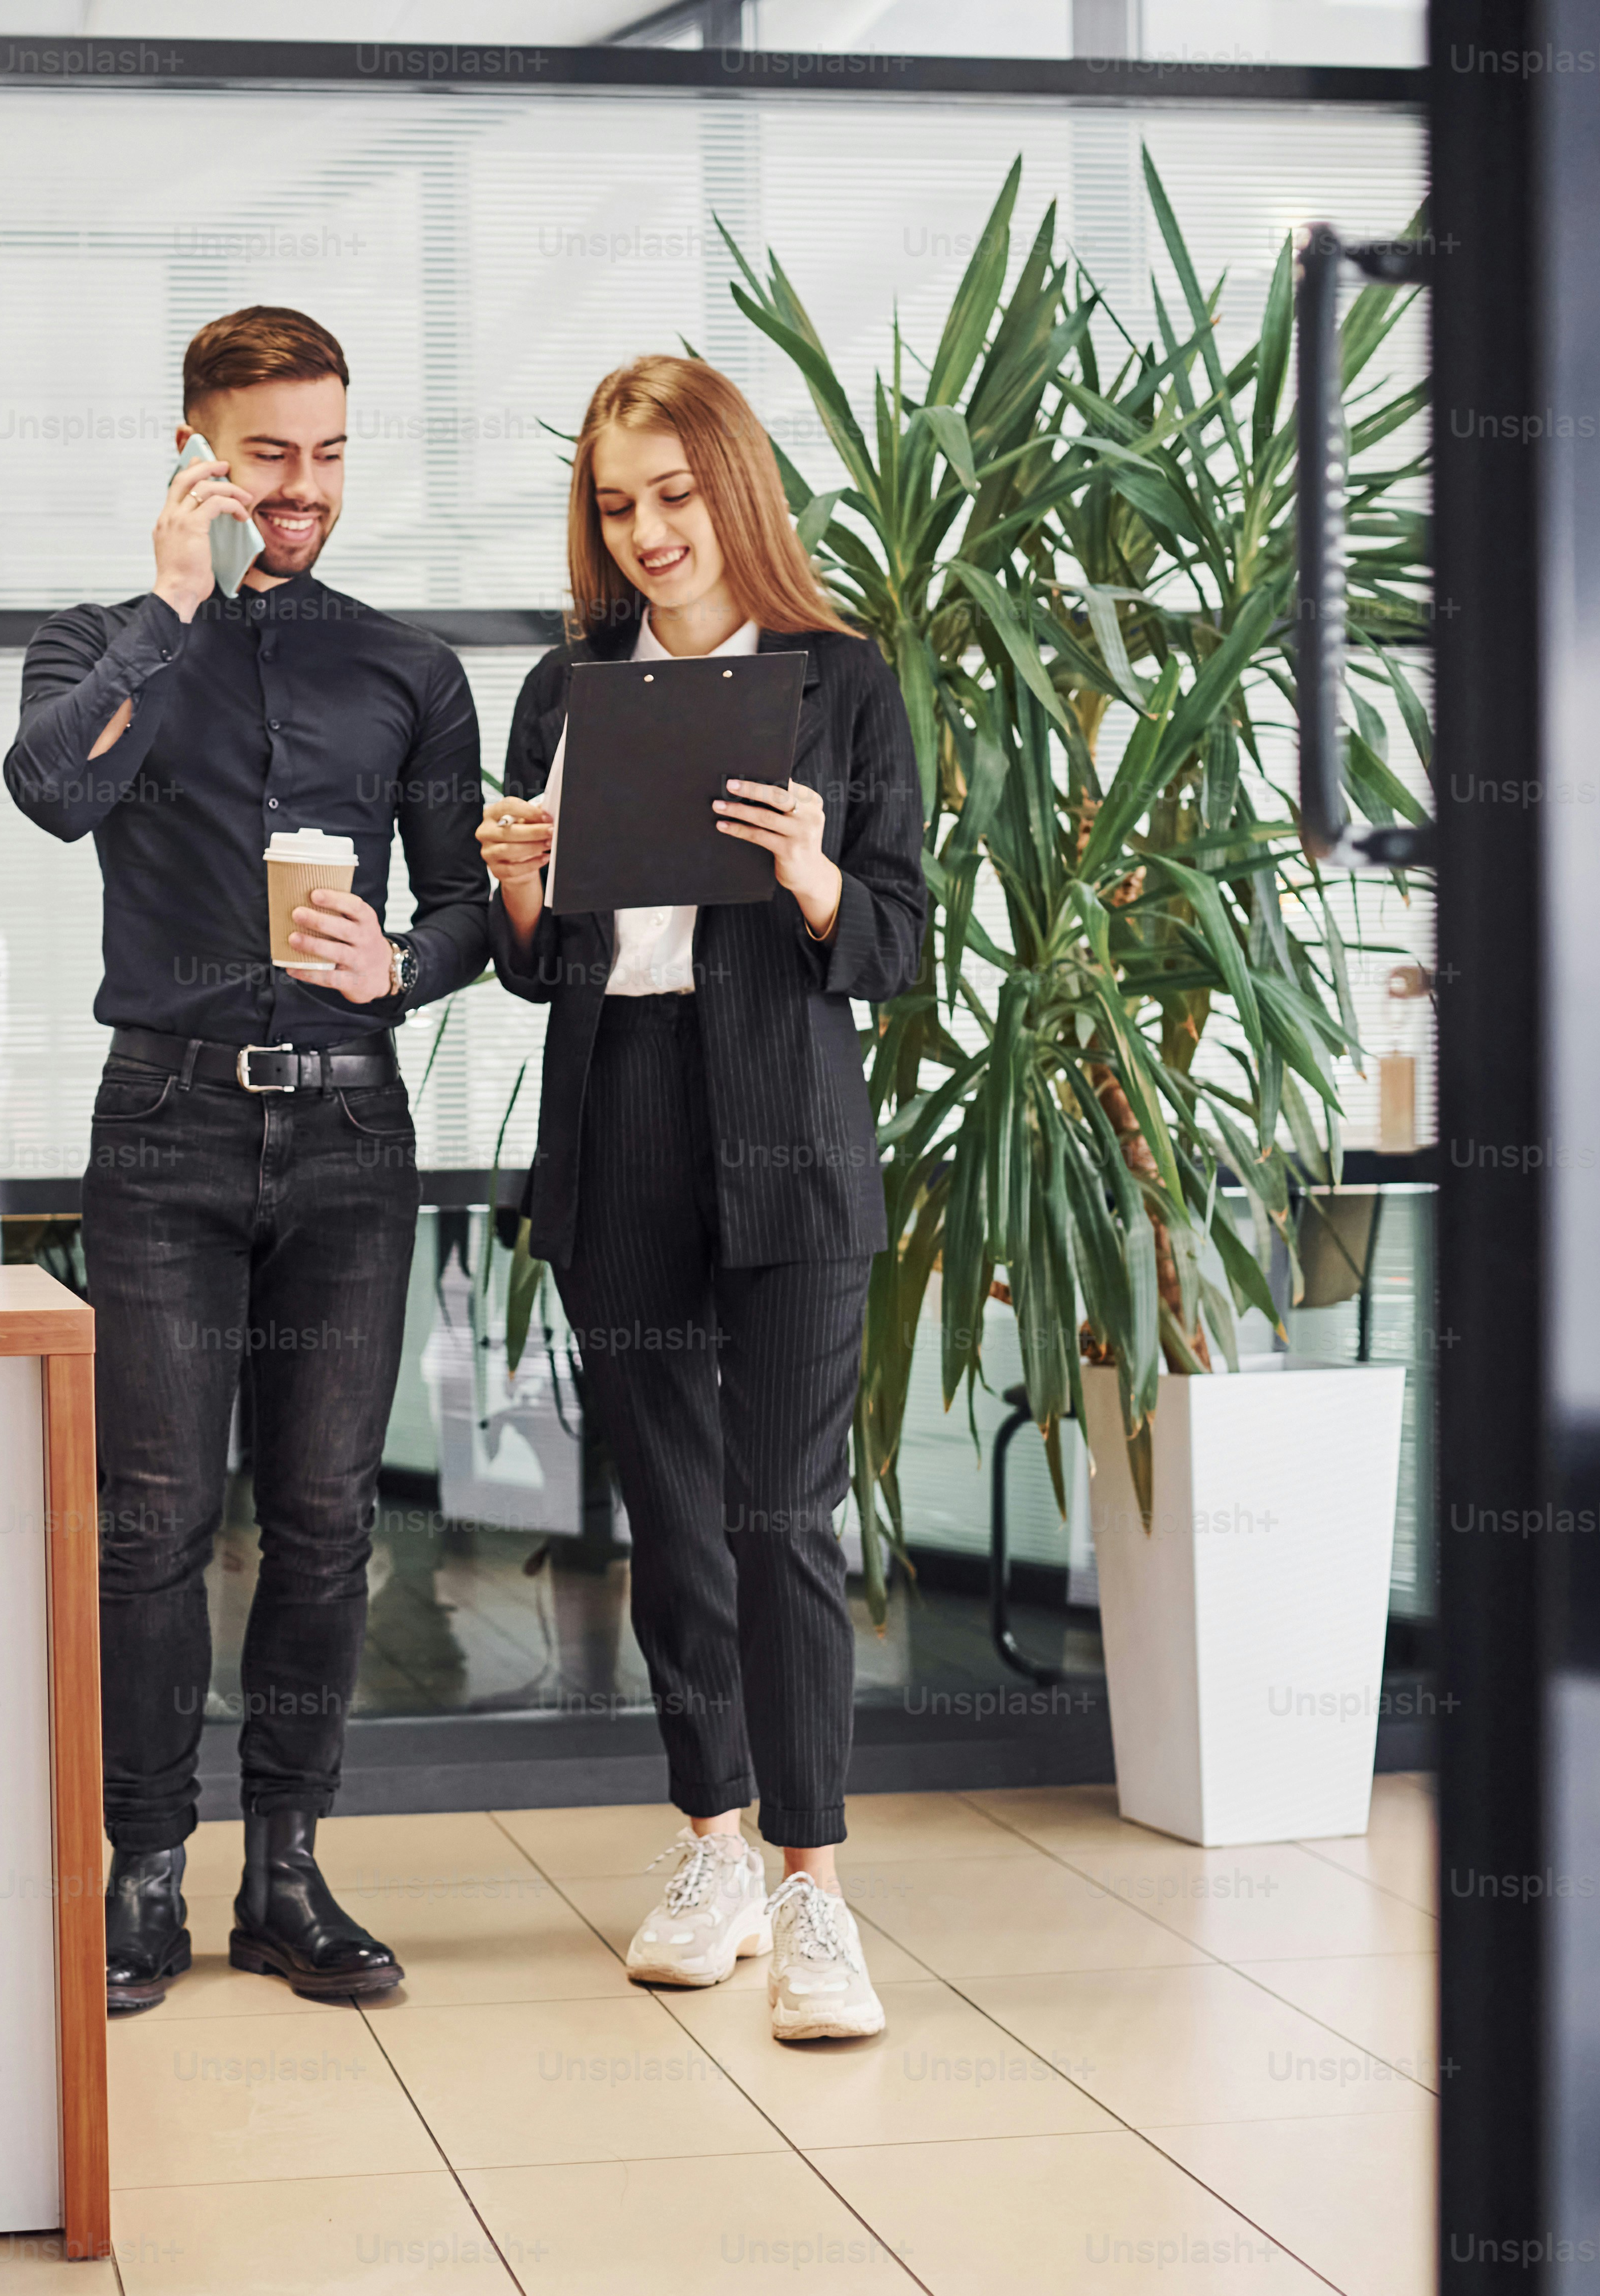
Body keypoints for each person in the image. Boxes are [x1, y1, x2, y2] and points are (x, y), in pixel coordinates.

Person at [3, 306, 491, 2015]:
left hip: (353, 1124)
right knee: (151, 1519)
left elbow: (471, 906)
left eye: (332, 453)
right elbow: (50, 792)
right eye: (271, 454)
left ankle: (285, 1871)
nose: (306, 490)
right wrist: (172, 613)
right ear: (197, 450)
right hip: (165, 1123)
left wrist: (408, 969)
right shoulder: (98, 644)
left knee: (328, 1517)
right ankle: (147, 1876)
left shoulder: (411, 672)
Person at [478, 355, 927, 2040]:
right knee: (671, 1517)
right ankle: (713, 1847)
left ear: (733, 488)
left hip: (789, 1128)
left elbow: (898, 936)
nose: (650, 532)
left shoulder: (841, 686)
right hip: (623, 1122)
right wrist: (518, 897)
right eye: (617, 504)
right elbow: (540, 974)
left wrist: (814, 875)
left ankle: (816, 1892)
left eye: (674, 494)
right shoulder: (565, 690)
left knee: (782, 1521)